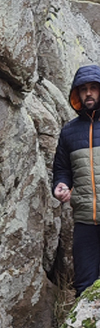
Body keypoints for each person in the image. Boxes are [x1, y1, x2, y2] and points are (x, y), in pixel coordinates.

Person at [52, 64, 100, 296]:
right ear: (76, 94)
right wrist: (60, 186)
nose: (88, 93)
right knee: (84, 284)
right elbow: (62, 169)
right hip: (85, 221)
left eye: (93, 88)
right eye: (83, 89)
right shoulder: (68, 132)